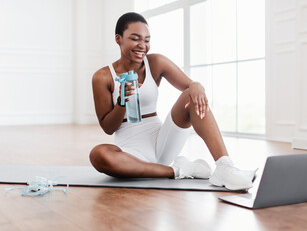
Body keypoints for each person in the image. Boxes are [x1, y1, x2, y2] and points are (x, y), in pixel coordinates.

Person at [89, 12, 256, 190]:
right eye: (135, 38)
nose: (142, 45)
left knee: (190, 95)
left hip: (162, 141)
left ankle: (225, 166)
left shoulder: (155, 62)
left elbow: (190, 86)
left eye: (146, 40)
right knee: (98, 154)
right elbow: (108, 128)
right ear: (118, 39)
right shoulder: (103, 77)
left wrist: (196, 85)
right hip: (130, 152)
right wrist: (122, 102)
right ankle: (178, 170)